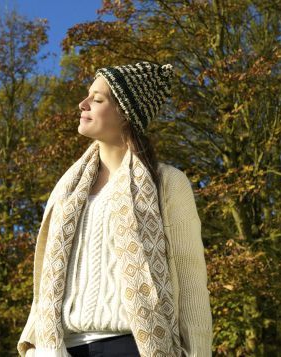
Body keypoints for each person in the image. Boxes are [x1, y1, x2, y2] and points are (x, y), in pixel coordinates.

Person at [17, 61, 212, 357]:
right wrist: (34, 345)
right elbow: (46, 276)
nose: (83, 104)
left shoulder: (167, 183)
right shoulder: (67, 189)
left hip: (133, 346)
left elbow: (190, 279)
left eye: (97, 99)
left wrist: (197, 352)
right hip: (60, 348)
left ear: (125, 114)